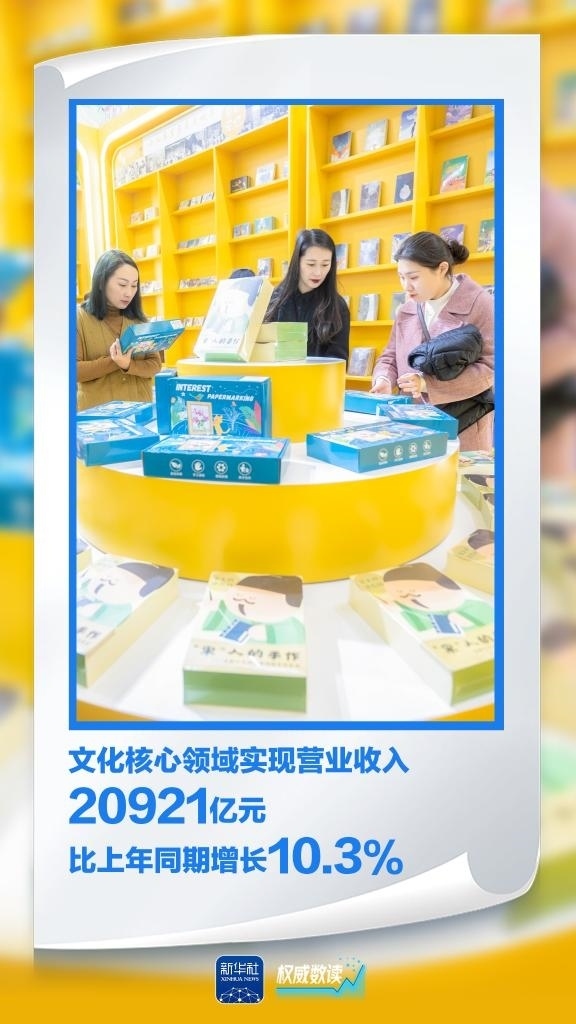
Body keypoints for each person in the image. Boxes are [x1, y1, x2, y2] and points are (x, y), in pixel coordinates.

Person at [371, 231, 494, 451]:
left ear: (442, 269)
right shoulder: (406, 309)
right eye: (401, 277)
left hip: (462, 425)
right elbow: (390, 355)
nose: (406, 286)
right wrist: (384, 379)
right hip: (411, 424)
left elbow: (491, 368)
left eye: (413, 277)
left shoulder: (481, 304)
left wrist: (428, 384)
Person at [76, 249, 162, 410]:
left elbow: (155, 365)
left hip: (140, 411)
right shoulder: (78, 318)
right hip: (97, 416)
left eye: (134, 285)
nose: (129, 293)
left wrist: (128, 364)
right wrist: (115, 362)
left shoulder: (139, 319)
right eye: (122, 284)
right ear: (101, 283)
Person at [263, 228, 350, 361]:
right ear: (297, 262)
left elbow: (339, 361)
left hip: (317, 375)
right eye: (311, 264)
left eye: (325, 265)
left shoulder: (338, 307)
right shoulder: (273, 300)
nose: (318, 272)